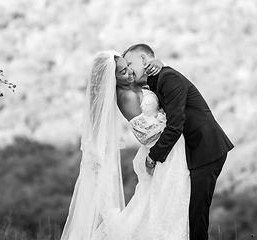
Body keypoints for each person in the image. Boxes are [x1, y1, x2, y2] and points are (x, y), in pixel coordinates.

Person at [61, 50, 190, 240]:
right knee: (161, 211)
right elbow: (146, 135)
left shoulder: (135, 84)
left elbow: (153, 79)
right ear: (111, 80)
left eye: (128, 67)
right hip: (161, 155)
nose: (129, 73)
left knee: (162, 209)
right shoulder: (126, 97)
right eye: (122, 72)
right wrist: (171, 121)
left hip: (170, 152)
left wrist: (160, 64)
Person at [123, 43, 234, 240]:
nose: (129, 69)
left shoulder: (168, 78)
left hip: (206, 149)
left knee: (196, 217)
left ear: (142, 59)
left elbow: (175, 125)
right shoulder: (156, 80)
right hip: (193, 150)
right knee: (187, 213)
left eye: (130, 63)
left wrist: (153, 156)